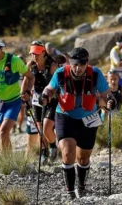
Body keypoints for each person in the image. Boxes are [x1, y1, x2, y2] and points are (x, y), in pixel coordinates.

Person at [41, 47, 116, 199]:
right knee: (68, 152)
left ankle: (81, 186)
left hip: (88, 119)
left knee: (84, 158)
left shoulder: (95, 74)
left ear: (87, 63)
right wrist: (45, 96)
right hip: (65, 117)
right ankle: (70, 192)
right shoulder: (61, 73)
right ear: (70, 62)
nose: (78, 68)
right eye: (75, 64)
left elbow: (106, 93)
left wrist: (110, 100)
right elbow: (49, 89)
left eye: (81, 64)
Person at [24, 41, 59, 163]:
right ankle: (43, 153)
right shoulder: (31, 65)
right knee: (40, 129)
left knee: (46, 129)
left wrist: (50, 95)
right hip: (36, 99)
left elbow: (58, 83)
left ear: (44, 52)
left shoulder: (52, 65)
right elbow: (26, 79)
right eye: (33, 53)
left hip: (51, 98)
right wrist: (24, 93)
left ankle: (53, 146)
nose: (35, 56)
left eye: (37, 53)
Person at [13, 54, 27, 134]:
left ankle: (17, 126)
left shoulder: (25, 69)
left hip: (21, 92)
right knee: (19, 110)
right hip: (16, 92)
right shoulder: (24, 69)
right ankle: (16, 125)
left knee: (20, 110)